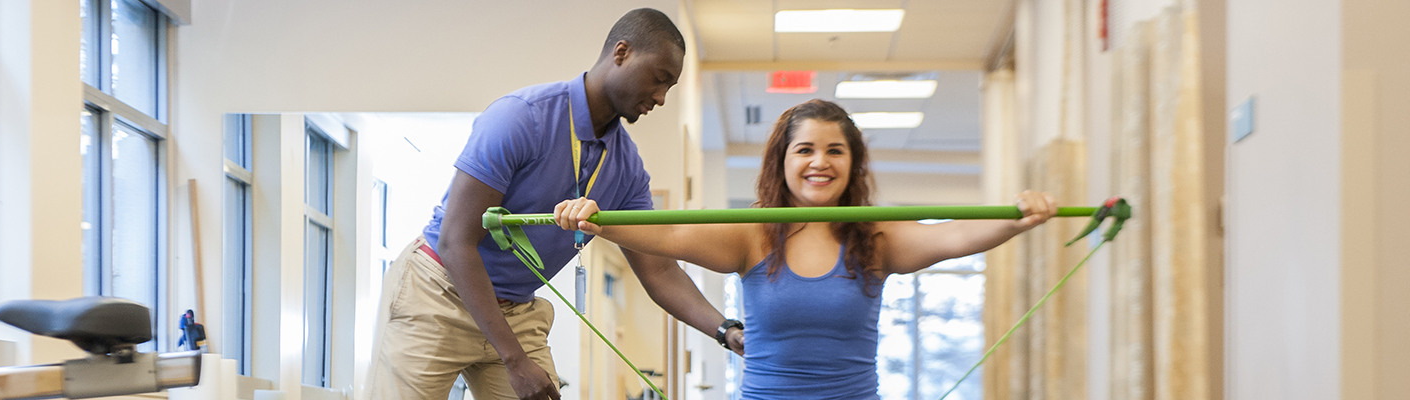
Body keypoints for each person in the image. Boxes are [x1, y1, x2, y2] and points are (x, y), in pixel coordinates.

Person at [553, 99, 1059, 399]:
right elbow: (669, 236)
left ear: (853, 163)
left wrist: (1017, 218)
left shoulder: (876, 238)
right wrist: (599, 222)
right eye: (806, 149)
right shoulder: (753, 233)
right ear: (783, 161)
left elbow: (954, 237)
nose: (821, 162)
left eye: (835, 150)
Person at [363, 8, 742, 400]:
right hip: (438, 291)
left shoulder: (626, 168)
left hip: (515, 308)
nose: (661, 98)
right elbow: (455, 242)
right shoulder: (521, 118)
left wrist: (724, 329)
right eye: (659, 79)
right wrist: (514, 359)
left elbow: (659, 268)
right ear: (622, 52)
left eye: (670, 87)